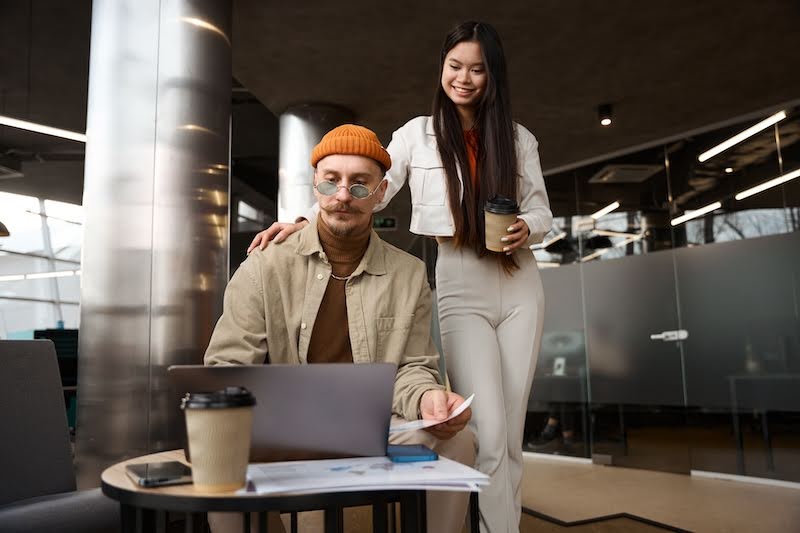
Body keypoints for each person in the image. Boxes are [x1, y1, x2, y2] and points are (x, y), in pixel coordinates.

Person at [248, 21, 552, 533]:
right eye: (455, 66)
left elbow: (543, 211)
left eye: (477, 69)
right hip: (459, 275)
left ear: (492, 76)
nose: (464, 78)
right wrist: (303, 220)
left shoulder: (519, 140)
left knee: (513, 435)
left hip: (520, 277)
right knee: (487, 430)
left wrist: (529, 226)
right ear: (441, 69)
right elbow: (371, 190)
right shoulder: (418, 134)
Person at [205, 124, 475, 533]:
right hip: (286, 427)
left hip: (375, 427)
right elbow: (226, 364)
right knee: (220, 451)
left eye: (360, 185)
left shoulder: (409, 274)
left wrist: (427, 397)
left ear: (381, 192)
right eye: (331, 183)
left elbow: (414, 366)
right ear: (316, 186)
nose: (344, 196)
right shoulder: (266, 264)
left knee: (457, 442)